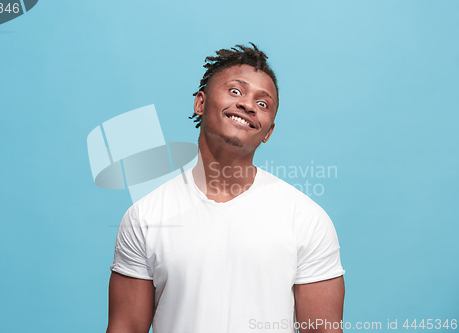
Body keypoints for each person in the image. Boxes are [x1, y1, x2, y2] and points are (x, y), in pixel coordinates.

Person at [106, 43, 345, 333]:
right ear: (200, 103)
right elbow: (126, 328)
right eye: (235, 91)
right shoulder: (144, 217)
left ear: (268, 131)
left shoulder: (307, 219)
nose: (247, 105)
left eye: (262, 103)